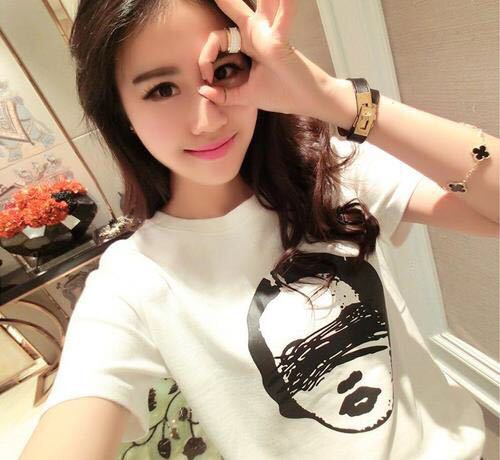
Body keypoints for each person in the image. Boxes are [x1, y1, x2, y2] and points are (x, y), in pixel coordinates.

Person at [21, 0, 498, 459]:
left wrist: (332, 97)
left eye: (224, 70)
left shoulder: (331, 173)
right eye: (162, 89)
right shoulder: (133, 281)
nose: (207, 120)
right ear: (120, 111)